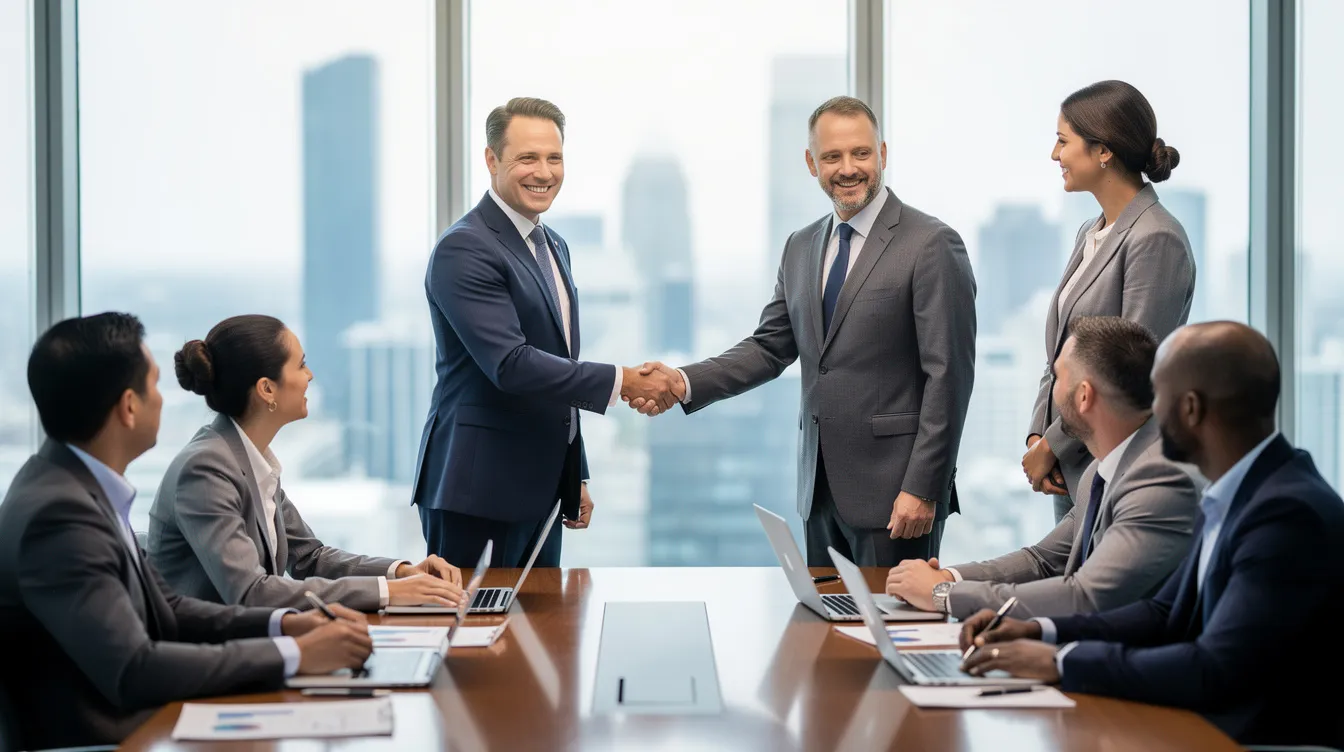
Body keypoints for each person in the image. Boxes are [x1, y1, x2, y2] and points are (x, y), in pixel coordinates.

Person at [960, 321, 1344, 749]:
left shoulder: (1285, 514)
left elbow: (1213, 669)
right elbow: (1163, 613)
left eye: (1157, 397)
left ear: (1191, 409)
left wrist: (1061, 661)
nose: (1147, 415)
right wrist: (1039, 630)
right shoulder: (1242, 489)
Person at [0, 313, 373, 749]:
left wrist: (287, 626)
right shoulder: (59, 515)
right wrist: (294, 656)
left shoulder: (75, 488)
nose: (162, 400)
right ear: (129, 406)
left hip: (147, 721)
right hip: (117, 736)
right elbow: (134, 669)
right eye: (154, 386)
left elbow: (170, 609)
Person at [633, 95, 976, 566]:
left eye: (861, 153)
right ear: (812, 163)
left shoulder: (931, 244)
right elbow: (770, 348)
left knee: (889, 635)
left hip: (897, 498)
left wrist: (923, 486)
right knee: (827, 631)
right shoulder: (801, 246)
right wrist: (682, 381)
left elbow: (950, 377)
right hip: (819, 493)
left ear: (883, 154)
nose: (848, 168)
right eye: (833, 156)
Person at [413, 97, 678, 568]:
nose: (544, 172)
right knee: (474, 634)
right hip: (476, 490)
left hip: (539, 490)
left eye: (554, 158)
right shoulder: (465, 248)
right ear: (492, 160)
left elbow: (557, 363)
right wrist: (623, 381)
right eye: (527, 158)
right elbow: (512, 365)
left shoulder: (551, 244)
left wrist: (574, 473)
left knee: (539, 635)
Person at [149, 315, 468, 612]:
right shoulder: (206, 469)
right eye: (300, 365)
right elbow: (250, 593)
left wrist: (401, 572)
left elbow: (310, 557)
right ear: (267, 389)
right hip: (210, 657)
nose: (309, 375)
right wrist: (389, 593)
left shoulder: (250, 459)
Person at [885, 317, 1198, 619]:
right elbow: (1043, 561)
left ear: (1084, 396)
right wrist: (946, 577)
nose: (1051, 391)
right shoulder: (1101, 469)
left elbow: (1085, 597)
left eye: (1058, 377)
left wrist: (943, 596)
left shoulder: (1161, 479)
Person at [1024, 80, 1197, 523]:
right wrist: (1038, 437)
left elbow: (1126, 374)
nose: (1053, 154)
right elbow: (1063, 352)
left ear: (1103, 150)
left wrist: (1052, 446)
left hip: (1115, 465)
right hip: (1073, 461)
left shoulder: (1156, 237)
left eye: (1063, 141)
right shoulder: (1091, 231)